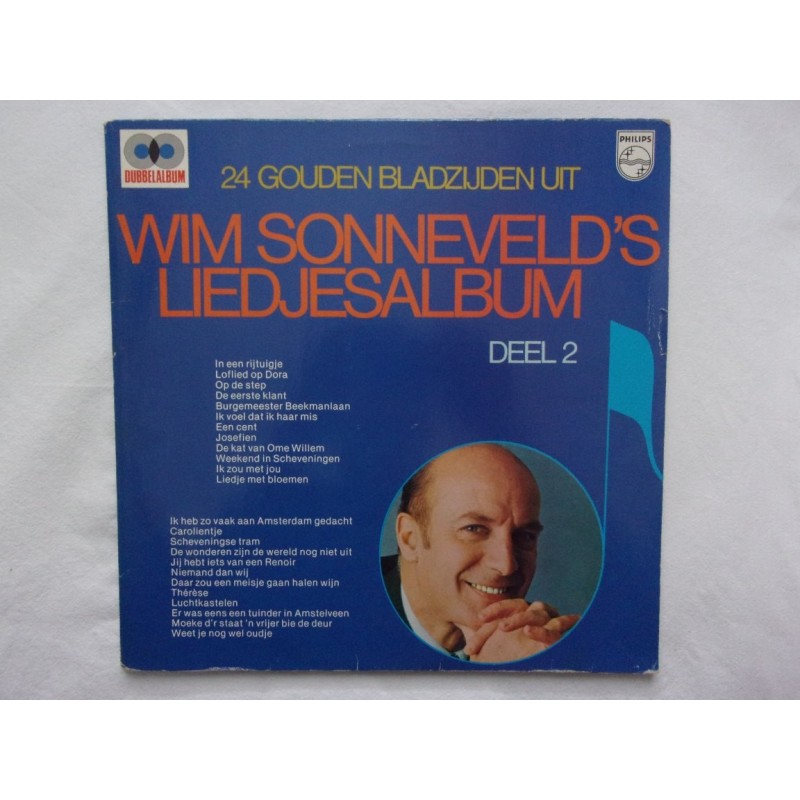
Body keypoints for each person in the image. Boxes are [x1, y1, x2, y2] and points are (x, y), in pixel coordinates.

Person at [382, 443, 579, 662]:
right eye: (474, 529)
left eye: (525, 536)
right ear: (410, 539)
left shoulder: (538, 640)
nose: (506, 565)